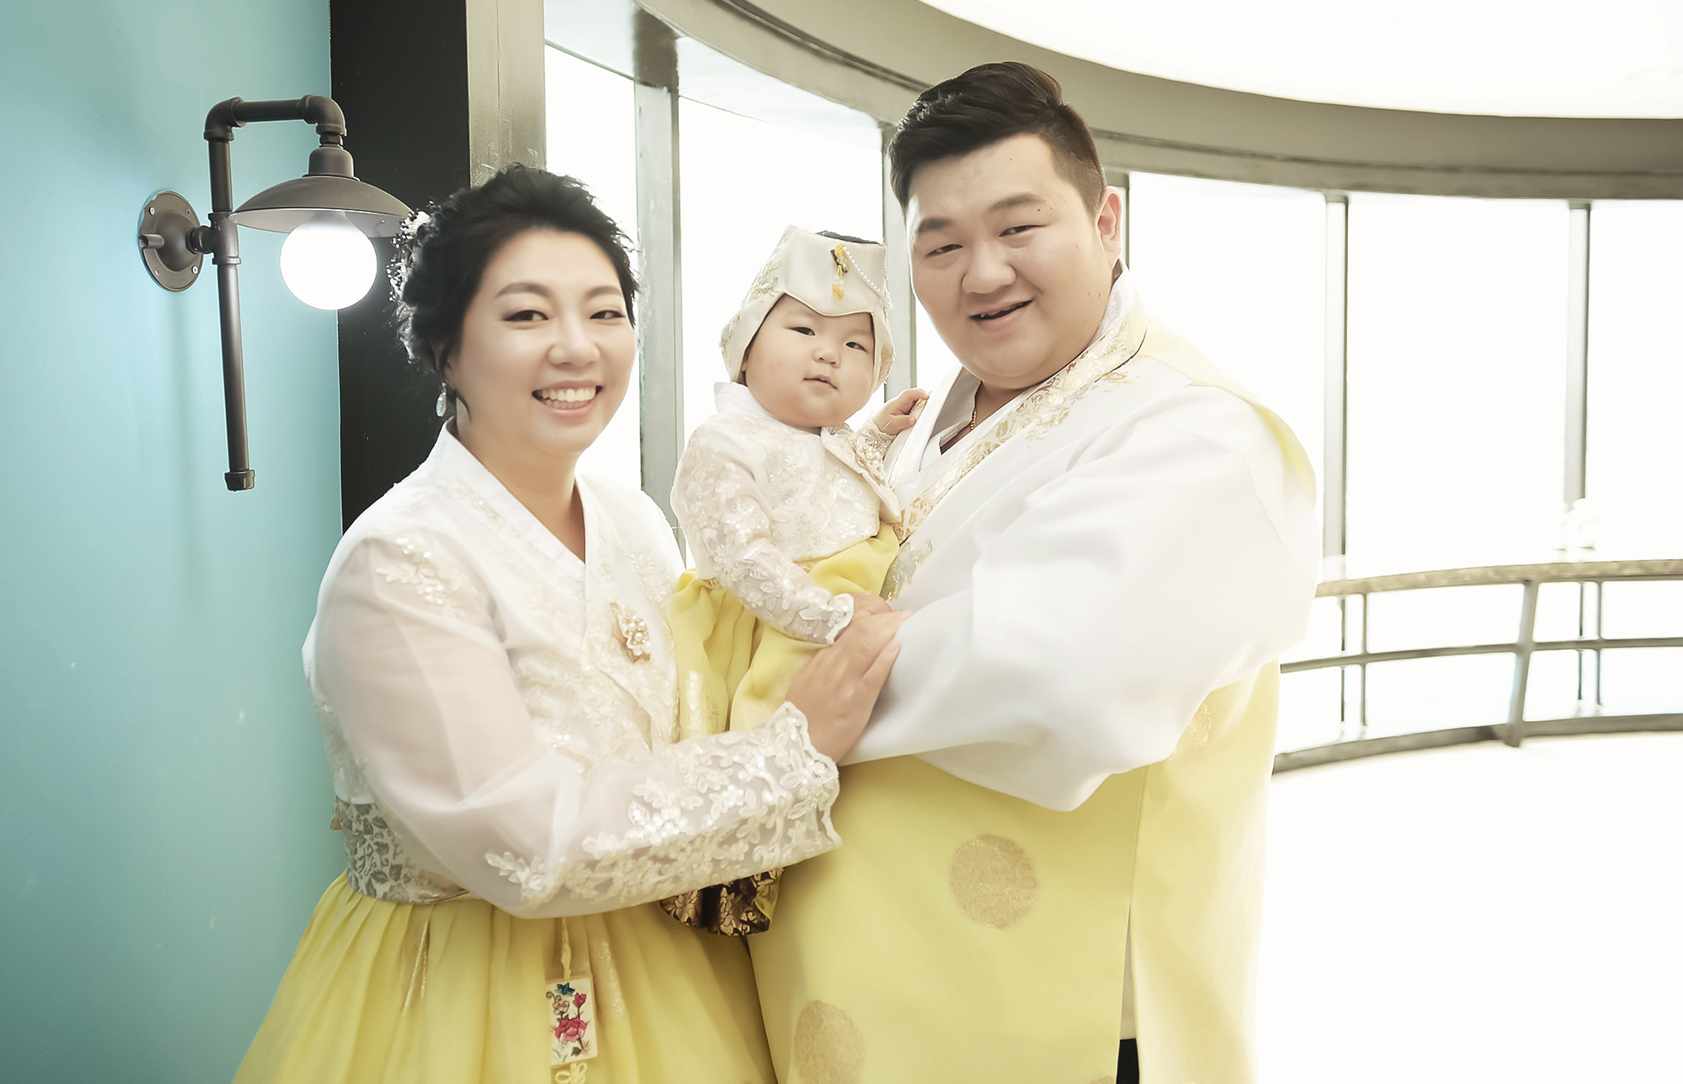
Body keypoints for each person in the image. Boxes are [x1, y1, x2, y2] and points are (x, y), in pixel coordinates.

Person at [233, 166, 909, 1084]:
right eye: (526, 315)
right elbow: (524, 849)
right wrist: (797, 749)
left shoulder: (632, 519)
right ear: (445, 346)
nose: (577, 348)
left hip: (659, 966)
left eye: (604, 313)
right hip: (459, 993)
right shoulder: (401, 560)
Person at [747, 65, 1319, 1084]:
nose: (981, 273)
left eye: (1018, 228)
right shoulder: (930, 420)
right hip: (889, 982)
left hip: (1073, 1012)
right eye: (942, 246)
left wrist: (774, 707)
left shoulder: (1198, 433)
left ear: (1106, 222)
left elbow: (1057, 675)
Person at [659, 227, 925, 935]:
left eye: (856, 345)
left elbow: (830, 479)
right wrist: (826, 616)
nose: (828, 353)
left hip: (842, 612)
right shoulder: (725, 441)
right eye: (804, 329)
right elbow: (743, 556)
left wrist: (877, 437)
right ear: (745, 349)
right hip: (772, 622)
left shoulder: (834, 440)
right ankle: (741, 875)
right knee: (770, 735)